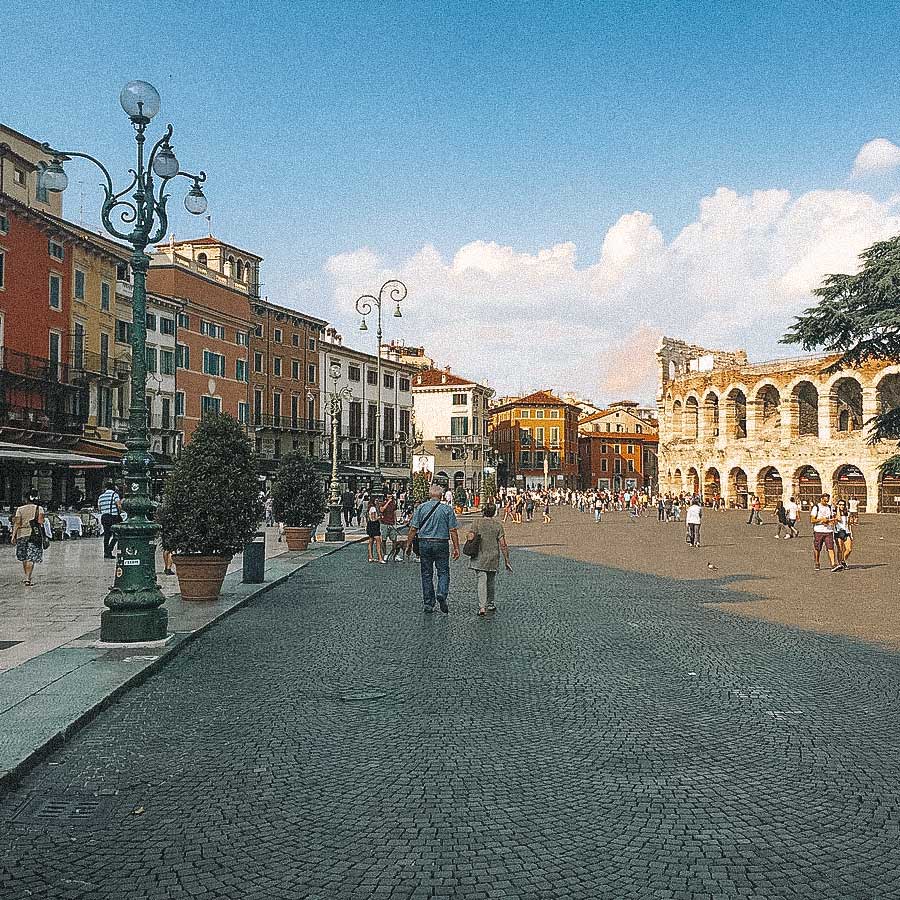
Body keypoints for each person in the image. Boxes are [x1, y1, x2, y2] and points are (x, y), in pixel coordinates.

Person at [405, 483, 460, 613]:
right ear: (441, 496)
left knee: (426, 573)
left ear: (429, 495)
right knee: (443, 572)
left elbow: (413, 529)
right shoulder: (447, 509)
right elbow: (453, 530)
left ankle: (428, 603)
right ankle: (441, 592)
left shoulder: (421, 508)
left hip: (424, 543)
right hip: (441, 543)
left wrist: (408, 545)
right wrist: (456, 547)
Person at [465, 503, 512, 616]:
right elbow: (503, 544)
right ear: (494, 512)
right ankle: (490, 603)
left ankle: (482, 607)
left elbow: (470, 537)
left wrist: (468, 535)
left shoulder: (477, 523)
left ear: (483, 511)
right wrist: (507, 560)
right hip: (493, 556)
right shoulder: (498, 526)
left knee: (482, 580)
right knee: (491, 581)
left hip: (479, 556)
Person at [12, 492, 46, 586]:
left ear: (26, 499)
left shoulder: (20, 509)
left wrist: (13, 536)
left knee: (24, 557)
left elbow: (17, 523)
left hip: (21, 535)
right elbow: (40, 522)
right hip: (34, 535)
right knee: (31, 557)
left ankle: (26, 577)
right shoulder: (40, 509)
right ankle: (28, 578)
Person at [810, 492, 839, 572]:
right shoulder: (816, 507)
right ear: (821, 499)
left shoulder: (830, 507)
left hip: (828, 531)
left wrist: (832, 521)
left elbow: (833, 517)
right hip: (818, 531)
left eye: (827, 501)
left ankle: (833, 564)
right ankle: (817, 562)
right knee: (817, 548)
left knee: (831, 547)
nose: (826, 502)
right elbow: (812, 520)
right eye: (825, 501)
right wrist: (821, 520)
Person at [98, 480, 123, 559]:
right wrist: (120, 511)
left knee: (107, 535)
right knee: (117, 534)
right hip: (113, 517)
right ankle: (109, 549)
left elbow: (99, 508)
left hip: (104, 517)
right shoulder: (114, 495)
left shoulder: (101, 496)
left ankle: (106, 552)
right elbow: (119, 505)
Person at [380, 492, 402, 561]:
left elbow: (394, 513)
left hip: (392, 524)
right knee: (384, 540)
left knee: (394, 540)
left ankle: (394, 555)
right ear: (386, 497)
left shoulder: (393, 504)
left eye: (391, 497)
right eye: (389, 497)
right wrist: (388, 502)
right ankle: (385, 554)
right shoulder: (383, 503)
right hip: (384, 524)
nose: (390, 498)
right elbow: (382, 510)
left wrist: (395, 523)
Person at [834, 499, 853, 570]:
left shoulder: (847, 512)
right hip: (838, 532)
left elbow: (849, 524)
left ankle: (843, 561)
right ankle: (840, 564)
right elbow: (838, 519)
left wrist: (851, 533)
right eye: (840, 504)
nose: (842, 506)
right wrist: (838, 509)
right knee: (840, 549)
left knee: (849, 549)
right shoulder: (834, 513)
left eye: (843, 505)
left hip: (846, 532)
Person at [365, 499, 384, 563]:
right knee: (378, 542)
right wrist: (379, 517)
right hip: (374, 525)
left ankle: (370, 557)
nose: (377, 501)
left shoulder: (370, 508)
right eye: (376, 500)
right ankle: (380, 558)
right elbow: (373, 519)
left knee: (371, 541)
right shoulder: (373, 508)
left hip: (370, 525)